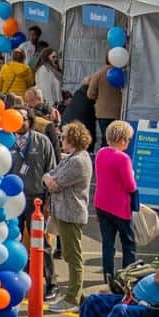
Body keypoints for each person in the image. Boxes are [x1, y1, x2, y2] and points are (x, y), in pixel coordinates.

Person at [43, 122, 94, 306]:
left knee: (73, 256)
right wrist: (49, 177)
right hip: (64, 212)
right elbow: (52, 174)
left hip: (71, 214)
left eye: (63, 137)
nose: (60, 139)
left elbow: (54, 182)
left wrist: (48, 178)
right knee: (69, 254)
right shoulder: (72, 158)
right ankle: (75, 295)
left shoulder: (78, 161)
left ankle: (72, 297)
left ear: (73, 139)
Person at [11, 107, 56, 293]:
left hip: (35, 198)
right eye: (15, 118)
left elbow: (52, 171)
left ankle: (51, 283)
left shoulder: (42, 141)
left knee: (41, 242)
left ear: (29, 121)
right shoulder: (6, 141)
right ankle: (13, 279)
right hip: (11, 200)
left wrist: (48, 201)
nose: (19, 122)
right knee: (12, 239)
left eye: (23, 118)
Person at [94, 121, 138, 287]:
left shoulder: (101, 153)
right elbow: (130, 185)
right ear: (122, 139)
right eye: (127, 139)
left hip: (102, 204)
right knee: (128, 244)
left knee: (108, 244)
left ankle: (108, 275)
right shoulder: (123, 158)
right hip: (120, 207)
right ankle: (128, 277)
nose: (128, 142)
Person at [86, 66, 123, 147]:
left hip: (103, 113)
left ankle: (104, 157)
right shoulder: (124, 73)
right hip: (119, 112)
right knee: (117, 138)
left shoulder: (99, 74)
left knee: (105, 138)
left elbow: (90, 94)